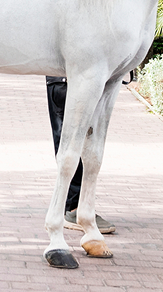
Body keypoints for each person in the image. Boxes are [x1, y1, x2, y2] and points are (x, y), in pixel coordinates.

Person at [45, 76, 116, 234]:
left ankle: (75, 205)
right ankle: (74, 207)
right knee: (73, 144)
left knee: (79, 141)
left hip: (67, 82)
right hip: (69, 83)